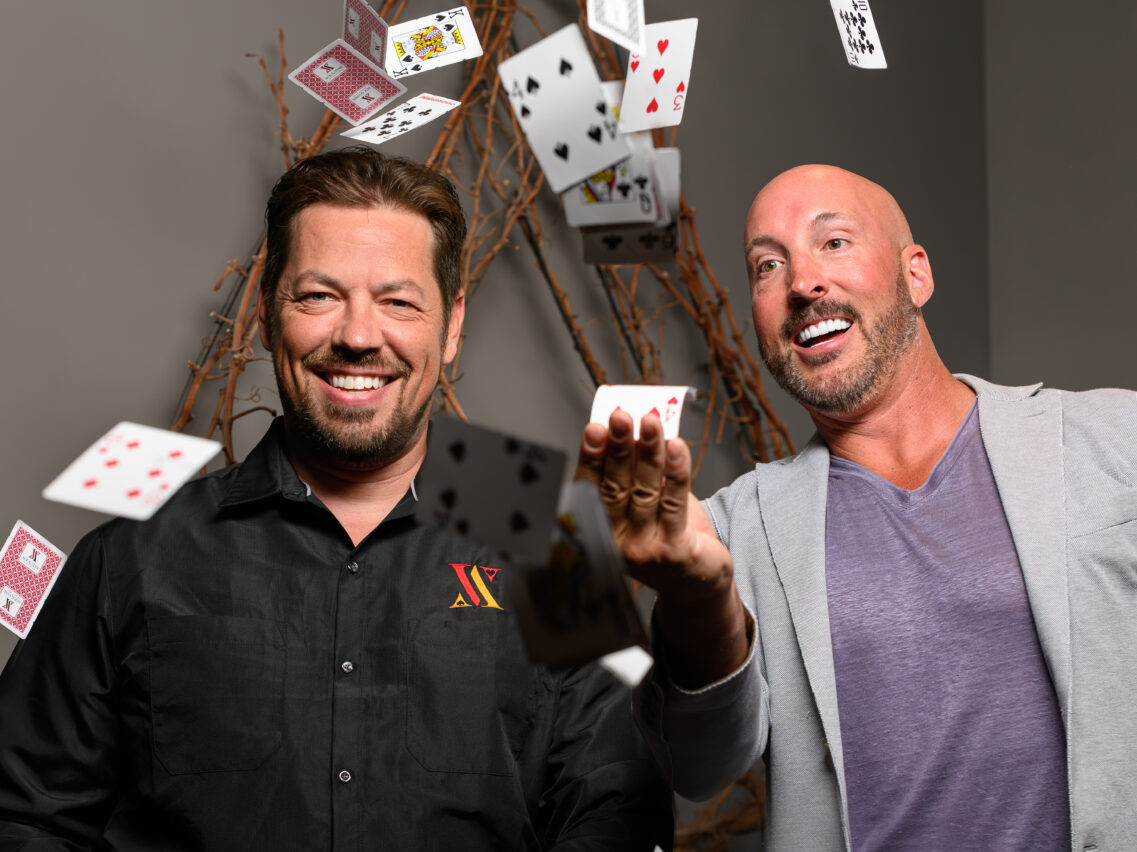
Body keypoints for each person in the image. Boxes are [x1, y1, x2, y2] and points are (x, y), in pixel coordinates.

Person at [0, 147, 672, 851]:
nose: (356, 336)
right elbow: (23, 818)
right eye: (318, 296)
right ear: (266, 314)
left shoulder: (557, 540)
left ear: (452, 326)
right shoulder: (129, 559)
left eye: (398, 301)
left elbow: (620, 815)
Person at [577, 164, 1137, 851]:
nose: (801, 282)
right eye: (766, 265)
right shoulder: (733, 530)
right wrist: (698, 599)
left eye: (833, 242)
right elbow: (697, 768)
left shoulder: (1116, 440)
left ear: (916, 275)